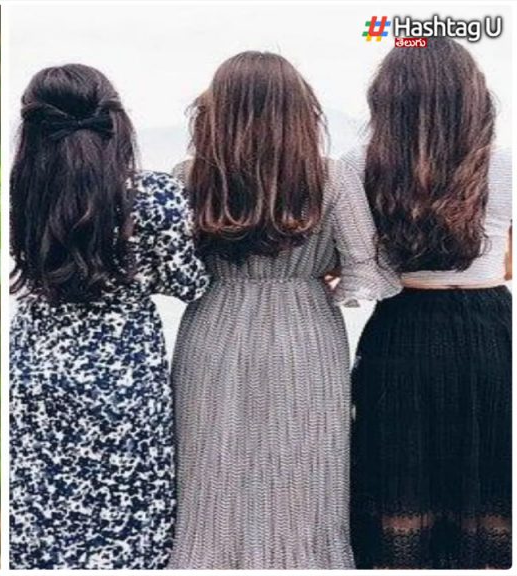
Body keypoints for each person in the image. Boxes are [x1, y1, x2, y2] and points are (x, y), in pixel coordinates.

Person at [168, 51, 400, 569]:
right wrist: (324, 276)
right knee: (305, 466)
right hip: (305, 330)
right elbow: (367, 267)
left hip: (215, 325)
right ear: (300, 109)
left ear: (218, 110)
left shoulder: (189, 176)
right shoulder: (331, 177)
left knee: (214, 467)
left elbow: (174, 269)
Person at [8, 63, 209, 569]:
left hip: (35, 372)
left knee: (39, 521)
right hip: (126, 383)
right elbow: (190, 283)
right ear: (116, 123)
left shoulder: (22, 197)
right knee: (131, 533)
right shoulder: (154, 197)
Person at [344, 38, 512, 569]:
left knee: (398, 469)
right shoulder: (505, 164)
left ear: (387, 98)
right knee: (485, 464)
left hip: (403, 325)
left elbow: (359, 264)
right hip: (489, 328)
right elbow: (508, 263)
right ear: (472, 97)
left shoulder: (358, 163)